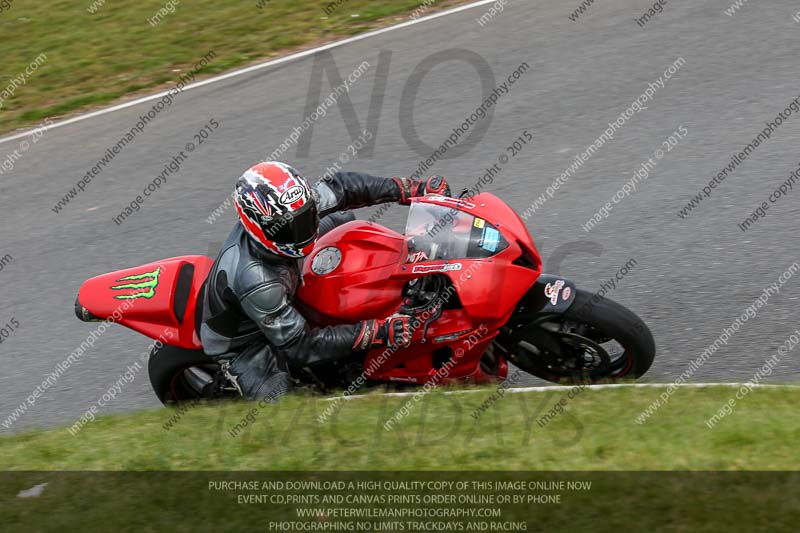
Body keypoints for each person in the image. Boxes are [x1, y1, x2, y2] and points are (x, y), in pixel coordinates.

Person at [200, 161, 450, 399]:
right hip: (247, 340)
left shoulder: (293, 209)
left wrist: (415, 190)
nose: (306, 229)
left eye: (307, 216)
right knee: (283, 404)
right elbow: (302, 347)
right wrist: (377, 330)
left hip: (288, 275)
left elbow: (344, 188)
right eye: (293, 227)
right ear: (258, 227)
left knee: (345, 220)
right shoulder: (256, 280)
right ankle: (229, 382)